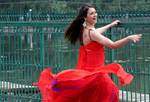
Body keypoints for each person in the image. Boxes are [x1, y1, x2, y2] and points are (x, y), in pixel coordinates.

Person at [36, 3, 142, 102]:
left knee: (90, 97)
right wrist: (129, 37)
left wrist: (110, 25)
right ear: (85, 17)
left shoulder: (84, 30)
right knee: (112, 92)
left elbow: (97, 32)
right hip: (96, 74)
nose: (95, 15)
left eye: (95, 12)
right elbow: (113, 45)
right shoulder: (92, 33)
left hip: (86, 73)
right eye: (91, 13)